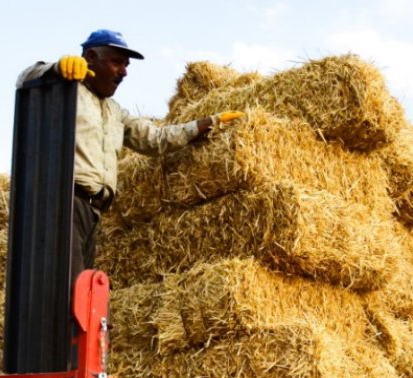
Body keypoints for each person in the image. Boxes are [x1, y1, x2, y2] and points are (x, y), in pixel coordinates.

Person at [17, 29, 245, 276]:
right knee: (67, 292)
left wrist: (209, 122)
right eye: (117, 63)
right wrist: (56, 69)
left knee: (84, 291)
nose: (124, 72)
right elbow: (25, 79)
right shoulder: (65, 91)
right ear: (90, 58)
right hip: (66, 201)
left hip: (93, 212)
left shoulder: (116, 112)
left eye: (126, 65)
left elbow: (156, 139)